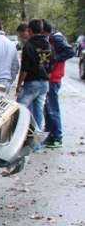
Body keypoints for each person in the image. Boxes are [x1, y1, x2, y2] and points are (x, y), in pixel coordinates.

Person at [41, 20, 75, 148]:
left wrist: (54, 59)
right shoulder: (52, 38)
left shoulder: (56, 38)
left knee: (52, 108)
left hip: (54, 78)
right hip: (51, 78)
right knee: (48, 108)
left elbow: (70, 52)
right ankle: (51, 135)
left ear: (44, 31)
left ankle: (57, 137)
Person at [15, 19, 52, 131]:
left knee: (19, 109)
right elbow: (50, 64)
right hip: (44, 83)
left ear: (29, 30)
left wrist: (18, 85)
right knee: (38, 112)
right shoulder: (47, 44)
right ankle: (36, 143)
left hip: (32, 83)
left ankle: (18, 135)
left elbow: (24, 69)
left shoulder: (29, 45)